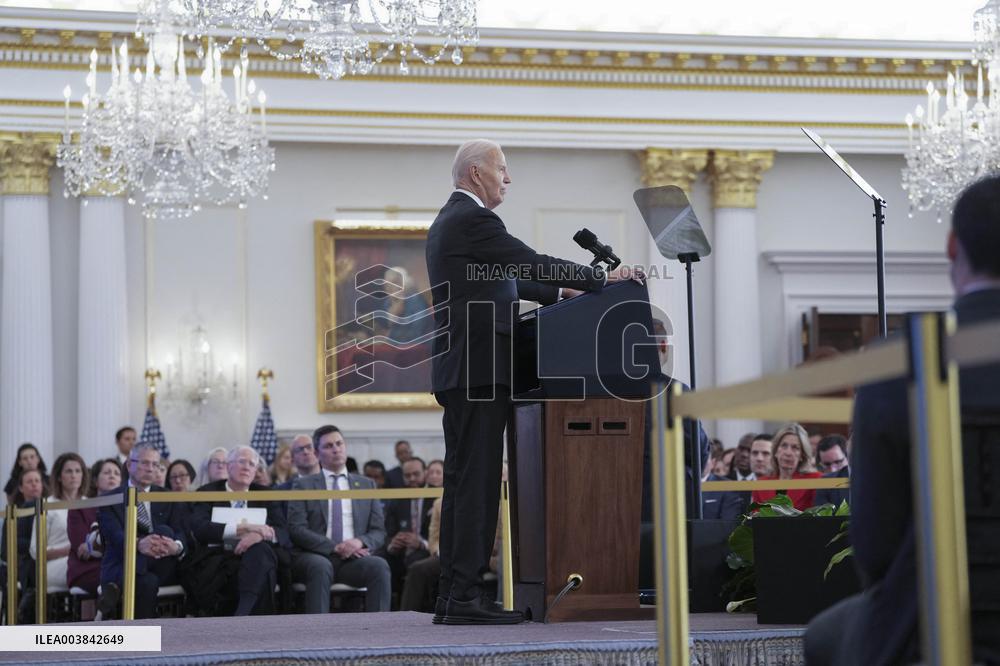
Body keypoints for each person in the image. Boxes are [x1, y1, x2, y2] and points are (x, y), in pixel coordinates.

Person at [426, 139, 636, 625]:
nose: (508, 177)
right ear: (476, 173)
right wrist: (602, 280)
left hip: (466, 370)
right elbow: (527, 260)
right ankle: (464, 597)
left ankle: (453, 595)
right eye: (502, 168)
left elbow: (509, 280)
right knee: (477, 486)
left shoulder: (453, 220)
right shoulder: (473, 219)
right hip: (480, 371)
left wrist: (562, 291)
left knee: (464, 483)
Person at [806, 175, 1000, 666]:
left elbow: (875, 547)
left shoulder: (899, 362)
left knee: (824, 637)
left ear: (952, 247)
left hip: (933, 624)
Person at [286, 425, 391, 613]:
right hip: (315, 556)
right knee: (320, 566)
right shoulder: (303, 485)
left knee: (379, 566)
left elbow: (378, 531)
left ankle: (378, 627)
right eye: (328, 446)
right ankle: (317, 629)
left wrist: (359, 542)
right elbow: (296, 529)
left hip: (353, 559)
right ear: (317, 454)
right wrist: (334, 547)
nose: (336, 449)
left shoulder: (366, 484)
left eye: (339, 443)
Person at [186, 446, 289, 616]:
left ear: (255, 471)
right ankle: (254, 622)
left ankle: (242, 614)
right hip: (220, 558)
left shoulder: (266, 494)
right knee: (263, 569)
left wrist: (258, 535)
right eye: (242, 462)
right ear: (228, 466)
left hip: (257, 557)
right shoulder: (208, 492)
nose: (247, 467)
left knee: (261, 551)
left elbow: (283, 531)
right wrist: (243, 529)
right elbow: (200, 528)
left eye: (252, 464)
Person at [98, 442, 187, 620]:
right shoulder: (110, 499)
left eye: (155, 464)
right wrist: (138, 544)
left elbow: (180, 532)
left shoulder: (168, 496)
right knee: (148, 582)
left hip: (163, 563)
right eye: (145, 463)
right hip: (122, 562)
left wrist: (176, 547)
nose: (150, 469)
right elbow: (116, 537)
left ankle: (118, 585)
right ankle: (142, 636)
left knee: (164, 530)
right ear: (129, 465)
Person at [30, 452, 88, 593]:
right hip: (54, 564)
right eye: (69, 471)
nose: (74, 475)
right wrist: (68, 550)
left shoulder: (89, 503)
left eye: (78, 471)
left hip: (86, 559)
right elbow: (35, 551)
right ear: (59, 477)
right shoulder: (47, 505)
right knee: (91, 570)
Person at [67, 458, 122, 594]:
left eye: (116, 473)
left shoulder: (128, 509)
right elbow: (83, 550)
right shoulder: (79, 508)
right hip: (88, 569)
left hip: (117, 564)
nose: (112, 476)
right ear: (95, 481)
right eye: (107, 472)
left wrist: (95, 545)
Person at [750, 423, 821, 510]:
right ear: (776, 451)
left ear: (802, 455)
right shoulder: (761, 484)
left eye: (795, 447)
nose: (788, 453)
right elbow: (755, 515)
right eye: (784, 445)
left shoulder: (815, 480)